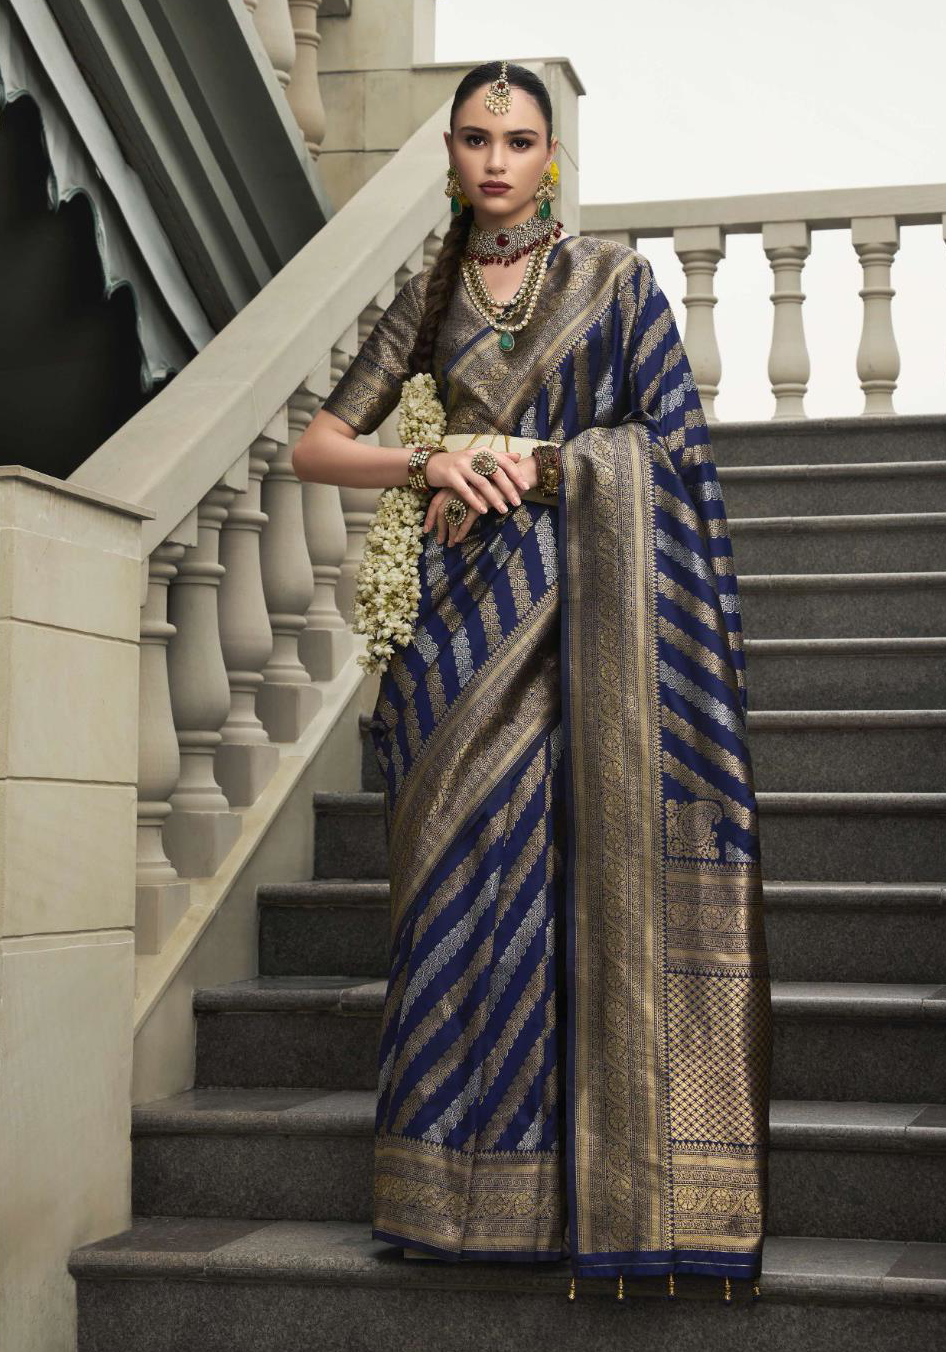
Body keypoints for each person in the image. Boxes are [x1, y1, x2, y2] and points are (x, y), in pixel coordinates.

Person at [292, 60, 772, 1301]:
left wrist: (550, 463)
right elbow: (316, 446)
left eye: (516, 141)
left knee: (556, 891)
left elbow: (674, 454)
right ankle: (444, 1196)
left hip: (582, 619)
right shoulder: (427, 293)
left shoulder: (614, 282)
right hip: (453, 633)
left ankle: (567, 1191)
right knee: (450, 893)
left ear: (548, 156)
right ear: (450, 155)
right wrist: (434, 462)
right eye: (473, 139)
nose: (495, 160)